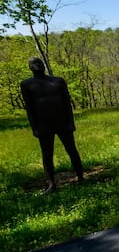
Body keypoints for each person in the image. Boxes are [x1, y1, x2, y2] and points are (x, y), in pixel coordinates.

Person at [20, 57, 84, 193]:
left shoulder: (57, 81)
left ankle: (81, 177)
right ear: (29, 67)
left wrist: (71, 122)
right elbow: (29, 108)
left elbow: (67, 103)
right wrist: (34, 128)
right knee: (47, 155)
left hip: (62, 121)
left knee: (72, 150)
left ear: (44, 65)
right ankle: (51, 184)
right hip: (43, 124)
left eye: (39, 62)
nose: (38, 65)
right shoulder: (27, 84)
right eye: (34, 63)